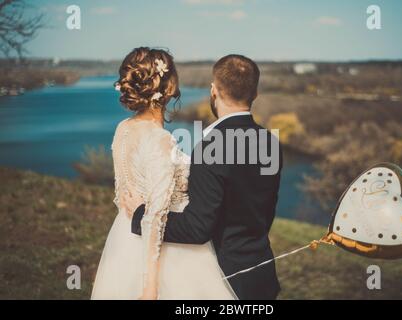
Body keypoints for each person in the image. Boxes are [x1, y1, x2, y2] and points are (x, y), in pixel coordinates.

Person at [125, 54, 283, 300]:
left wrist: (139, 216)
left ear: (213, 91)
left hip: (224, 282)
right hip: (262, 276)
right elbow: (265, 214)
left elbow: (197, 229)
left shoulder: (211, 148)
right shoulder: (270, 142)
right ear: (255, 94)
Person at [91, 47, 236, 300]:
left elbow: (122, 197)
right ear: (168, 88)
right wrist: (150, 287)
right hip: (166, 255)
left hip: (125, 241)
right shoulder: (161, 140)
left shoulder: (123, 129)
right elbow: (154, 217)